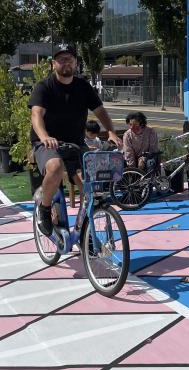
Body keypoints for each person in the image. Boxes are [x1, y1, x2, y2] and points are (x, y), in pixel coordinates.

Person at [30, 44, 122, 235]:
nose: (66, 63)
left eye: (70, 59)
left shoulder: (83, 86)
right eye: (61, 59)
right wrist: (45, 136)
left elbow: (100, 110)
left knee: (90, 189)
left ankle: (85, 234)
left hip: (75, 144)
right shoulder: (44, 87)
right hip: (47, 143)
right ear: (53, 64)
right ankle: (45, 211)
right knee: (55, 167)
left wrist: (111, 132)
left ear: (76, 63)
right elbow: (36, 115)